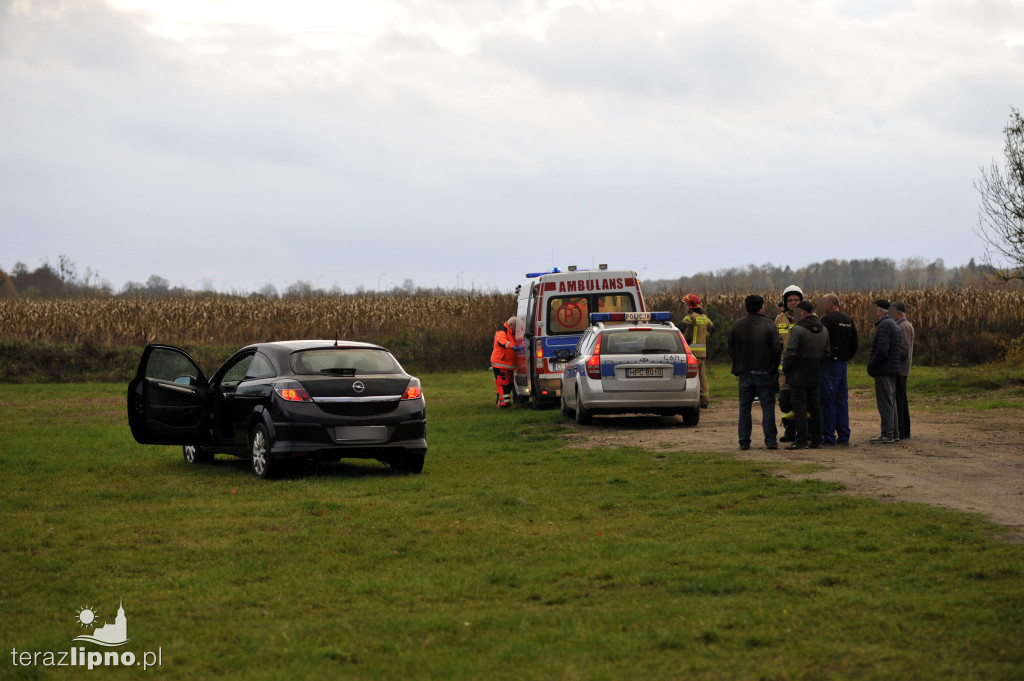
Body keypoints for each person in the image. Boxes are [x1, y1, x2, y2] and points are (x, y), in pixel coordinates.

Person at [728, 294, 782, 451]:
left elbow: (731, 348)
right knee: (767, 407)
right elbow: (776, 348)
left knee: (744, 408)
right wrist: (774, 367)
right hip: (765, 372)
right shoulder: (769, 324)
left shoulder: (737, 325)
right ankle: (770, 440)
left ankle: (744, 441)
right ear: (761, 307)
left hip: (744, 372)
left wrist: (738, 364)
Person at [781, 300, 830, 450]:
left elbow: (790, 352)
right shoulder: (824, 330)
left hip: (798, 374)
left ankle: (801, 439)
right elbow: (827, 353)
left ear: (803, 312)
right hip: (815, 373)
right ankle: (816, 440)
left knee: (800, 407)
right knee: (815, 406)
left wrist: (785, 368)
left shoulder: (798, 329)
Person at [819, 293, 859, 446]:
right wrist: (846, 357)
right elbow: (855, 343)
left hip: (829, 364)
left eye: (823, 302)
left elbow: (822, 342)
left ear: (830, 303)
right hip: (843, 364)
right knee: (842, 401)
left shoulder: (826, 320)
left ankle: (828, 437)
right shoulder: (848, 320)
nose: (821, 306)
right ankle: (844, 436)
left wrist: (824, 357)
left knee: (827, 400)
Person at [867, 300, 902, 444]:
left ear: (880, 311)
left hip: (884, 369)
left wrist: (873, 366)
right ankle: (894, 433)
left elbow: (882, 350)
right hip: (892, 369)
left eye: (873, 311)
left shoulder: (884, 326)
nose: (871, 315)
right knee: (891, 402)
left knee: (885, 403)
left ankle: (887, 434)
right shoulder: (893, 324)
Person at [774, 285, 804, 442]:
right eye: (790, 300)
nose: (793, 303)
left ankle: (804, 431)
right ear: (785, 302)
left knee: (803, 400)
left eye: (796, 300)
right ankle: (789, 430)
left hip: (802, 369)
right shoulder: (779, 320)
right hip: (784, 370)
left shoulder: (806, 317)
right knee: (785, 400)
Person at [681, 293, 714, 408]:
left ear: (691, 305)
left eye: (686, 304)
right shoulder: (704, 317)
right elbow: (712, 327)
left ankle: (687, 399)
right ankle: (705, 400)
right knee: (702, 377)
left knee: (688, 377)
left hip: (691, 353)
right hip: (702, 353)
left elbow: (681, 328)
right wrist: (705, 335)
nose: (685, 307)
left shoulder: (690, 316)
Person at [890, 301, 915, 439]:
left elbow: (904, 350)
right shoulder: (903, 325)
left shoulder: (903, 326)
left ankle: (902, 430)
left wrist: (891, 359)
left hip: (900, 369)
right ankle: (905, 430)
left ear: (898, 313)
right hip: (901, 369)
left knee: (899, 401)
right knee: (901, 400)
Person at [490, 317, 517, 407]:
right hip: (501, 362)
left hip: (508, 363)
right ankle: (504, 403)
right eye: (516, 327)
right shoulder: (502, 331)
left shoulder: (510, 331)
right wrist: (511, 346)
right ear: (511, 325)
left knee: (509, 383)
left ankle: (503, 401)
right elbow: (502, 341)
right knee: (503, 383)